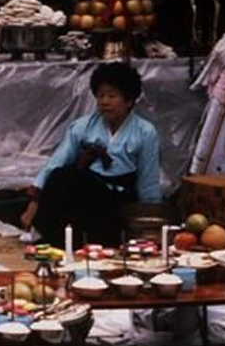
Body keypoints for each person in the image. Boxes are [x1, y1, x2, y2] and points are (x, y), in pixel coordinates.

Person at [20, 61, 160, 247]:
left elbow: (148, 180)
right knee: (61, 176)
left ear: (129, 100)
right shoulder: (82, 126)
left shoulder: (145, 132)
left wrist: (149, 222)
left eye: (112, 95)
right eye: (100, 95)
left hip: (118, 200)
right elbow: (57, 162)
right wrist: (34, 203)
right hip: (86, 191)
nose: (105, 102)